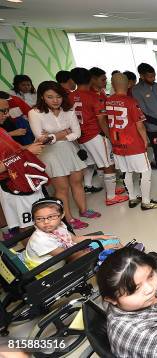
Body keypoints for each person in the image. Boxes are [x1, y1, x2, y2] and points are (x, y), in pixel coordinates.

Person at [29, 81, 100, 229]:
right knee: (62, 188)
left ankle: (84, 210)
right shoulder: (35, 113)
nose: (55, 100)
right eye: (50, 97)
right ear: (42, 97)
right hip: (50, 154)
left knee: (77, 182)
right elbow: (41, 138)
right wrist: (63, 133)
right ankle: (68, 218)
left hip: (69, 149)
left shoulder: (69, 110)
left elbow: (77, 133)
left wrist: (54, 136)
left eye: (58, 96)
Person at [68, 67, 129, 204]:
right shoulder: (92, 97)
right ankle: (111, 197)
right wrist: (110, 137)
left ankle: (99, 187)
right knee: (108, 165)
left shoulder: (69, 96)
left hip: (80, 136)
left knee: (93, 163)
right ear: (91, 79)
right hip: (95, 135)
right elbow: (101, 120)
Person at [106, 73, 157, 211]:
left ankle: (132, 198)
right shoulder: (131, 102)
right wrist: (145, 140)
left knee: (126, 171)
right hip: (133, 144)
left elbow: (104, 120)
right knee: (146, 171)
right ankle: (146, 202)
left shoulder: (108, 101)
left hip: (117, 144)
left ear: (113, 85)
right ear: (128, 85)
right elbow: (140, 125)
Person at [24, 198, 122, 277]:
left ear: (62, 215)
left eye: (51, 217)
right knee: (112, 246)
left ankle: (126, 261)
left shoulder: (60, 225)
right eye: (39, 219)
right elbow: (69, 256)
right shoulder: (41, 239)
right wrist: (102, 248)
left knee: (111, 239)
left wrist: (99, 236)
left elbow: (74, 239)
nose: (46, 222)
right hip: (52, 270)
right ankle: (125, 267)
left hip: (68, 253)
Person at [0, 96, 46, 233]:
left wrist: (35, 144)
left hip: (25, 181)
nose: (7, 115)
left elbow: (17, 151)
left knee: (40, 221)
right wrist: (26, 152)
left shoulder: (2, 131)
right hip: (13, 186)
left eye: (7, 110)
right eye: (3, 111)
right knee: (28, 227)